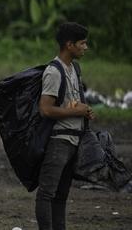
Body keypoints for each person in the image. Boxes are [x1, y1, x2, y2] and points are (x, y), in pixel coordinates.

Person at [36, 22, 94, 230]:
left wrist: (84, 111)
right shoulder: (54, 71)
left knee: (61, 195)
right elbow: (46, 109)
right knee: (47, 193)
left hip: (74, 139)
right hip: (59, 140)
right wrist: (76, 111)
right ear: (69, 45)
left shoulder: (74, 68)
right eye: (82, 43)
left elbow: (69, 102)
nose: (85, 47)